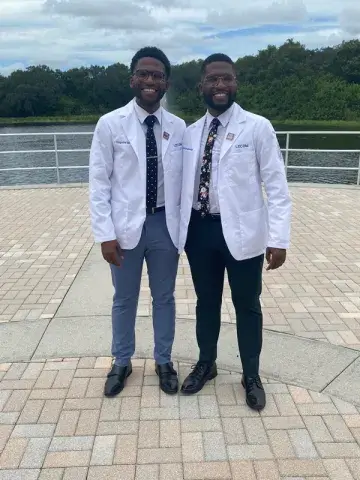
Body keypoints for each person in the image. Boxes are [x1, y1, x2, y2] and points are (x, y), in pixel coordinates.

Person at [178, 53, 292, 411]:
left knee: (247, 306)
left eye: (226, 79)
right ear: (202, 85)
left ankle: (251, 374)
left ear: (236, 82)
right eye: (213, 79)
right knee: (206, 303)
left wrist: (279, 238)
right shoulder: (191, 132)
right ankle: (207, 363)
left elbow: (276, 185)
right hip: (200, 231)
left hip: (243, 233)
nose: (220, 86)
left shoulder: (257, 127)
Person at [89, 46, 186, 397]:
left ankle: (164, 361)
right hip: (124, 226)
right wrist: (105, 234)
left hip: (164, 224)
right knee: (124, 298)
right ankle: (122, 361)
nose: (150, 80)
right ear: (132, 79)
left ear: (166, 83)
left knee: (165, 297)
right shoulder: (109, 124)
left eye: (157, 75)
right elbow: (99, 183)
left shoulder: (178, 127)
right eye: (143, 73)